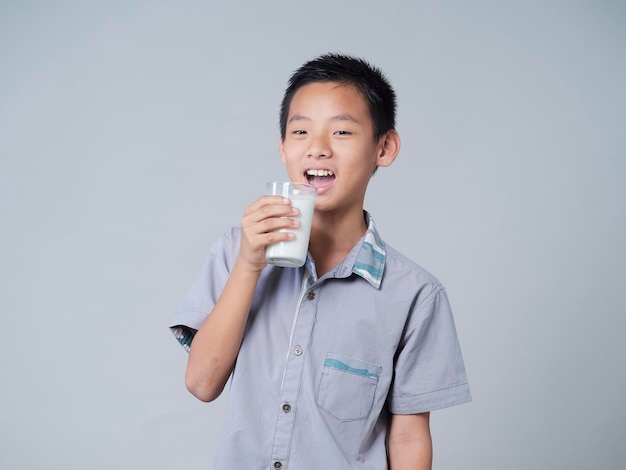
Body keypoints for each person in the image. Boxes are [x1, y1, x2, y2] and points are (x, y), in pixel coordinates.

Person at [170, 53, 471, 469]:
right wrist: (249, 265)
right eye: (300, 131)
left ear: (384, 147)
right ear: (282, 148)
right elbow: (202, 383)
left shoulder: (416, 295)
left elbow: (409, 438)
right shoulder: (234, 251)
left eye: (342, 131)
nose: (318, 148)